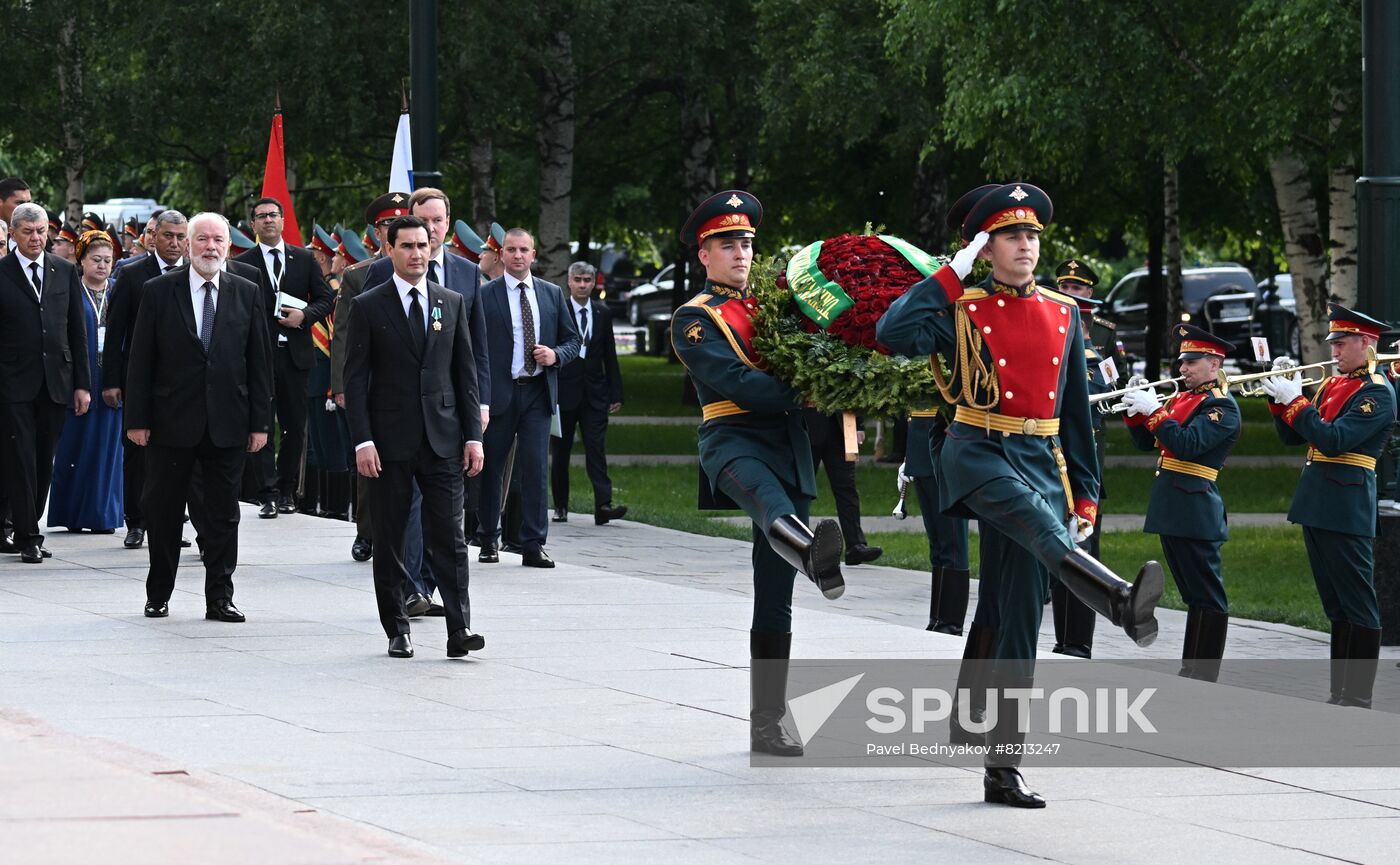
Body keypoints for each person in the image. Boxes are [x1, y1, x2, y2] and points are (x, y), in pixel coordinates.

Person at [877, 182, 1164, 808]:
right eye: (1010, 235)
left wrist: (1087, 496)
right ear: (984, 247)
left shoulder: (1065, 312)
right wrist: (951, 274)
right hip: (977, 452)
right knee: (1037, 527)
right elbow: (891, 332)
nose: (1026, 245)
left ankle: (1000, 764)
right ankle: (1116, 599)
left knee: (1015, 618)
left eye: (1032, 234)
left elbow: (1075, 414)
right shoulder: (960, 305)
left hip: (1042, 460)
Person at [671, 190, 846, 758]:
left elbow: (826, 344)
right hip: (734, 442)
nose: (741, 252)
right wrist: (811, 387)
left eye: (746, 242)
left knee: (774, 599)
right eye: (728, 243)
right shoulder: (695, 318)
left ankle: (767, 722)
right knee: (774, 506)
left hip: (788, 447)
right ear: (704, 254)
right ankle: (812, 551)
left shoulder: (777, 306)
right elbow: (740, 385)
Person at [344, 215, 485, 659]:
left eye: (423, 245)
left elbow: (465, 376)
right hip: (389, 443)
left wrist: (473, 436)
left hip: (443, 439)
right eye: (407, 246)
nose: (417, 254)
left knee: (450, 537)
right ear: (390, 250)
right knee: (389, 536)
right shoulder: (370, 305)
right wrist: (363, 440)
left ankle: (459, 629)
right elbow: (355, 379)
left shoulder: (451, 301)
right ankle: (397, 627)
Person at [125, 212, 272, 621]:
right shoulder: (159, 290)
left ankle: (220, 597)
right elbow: (140, 360)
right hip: (171, 423)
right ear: (188, 245)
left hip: (228, 422)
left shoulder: (247, 291)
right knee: (163, 510)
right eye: (202, 239)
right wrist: (137, 420)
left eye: (218, 240)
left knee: (224, 514)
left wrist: (260, 423)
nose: (210, 246)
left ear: (229, 246)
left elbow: (258, 361)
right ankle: (159, 592)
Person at [1260, 303, 1396, 707]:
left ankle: (1358, 696)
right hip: (1318, 502)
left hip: (1347, 503)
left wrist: (1296, 403)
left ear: (1367, 343)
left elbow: (1334, 440)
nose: (1333, 350)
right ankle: (1340, 692)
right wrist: (1279, 397)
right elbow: (1292, 437)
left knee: (1358, 602)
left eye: (1341, 342)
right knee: (1336, 605)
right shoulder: (1334, 385)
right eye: (1333, 343)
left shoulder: (1377, 392)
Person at [1121, 325, 1240, 680]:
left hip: (1196, 510)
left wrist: (1154, 412)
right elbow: (1147, 441)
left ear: (1214, 364)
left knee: (1207, 596)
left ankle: (1202, 673)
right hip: (1173, 508)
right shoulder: (1182, 399)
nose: (1183, 368)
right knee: (1193, 596)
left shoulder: (1221, 407)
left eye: (1191, 362)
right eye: (1181, 361)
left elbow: (1187, 444)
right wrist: (1134, 410)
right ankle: (1191, 668)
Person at [476, 228, 579, 568]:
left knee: (535, 469)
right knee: (491, 468)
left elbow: (573, 340)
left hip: (537, 393)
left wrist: (556, 355)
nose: (517, 255)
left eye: (524, 250)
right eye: (511, 250)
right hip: (500, 393)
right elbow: (475, 347)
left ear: (534, 255)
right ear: (501, 255)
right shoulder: (486, 295)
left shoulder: (551, 294)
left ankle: (533, 543)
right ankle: (489, 538)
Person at [0, 202, 92, 562]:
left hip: (56, 380)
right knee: (20, 457)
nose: (36, 238)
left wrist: (82, 384)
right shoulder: (3, 272)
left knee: (43, 459)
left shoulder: (64, 270)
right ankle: (28, 535)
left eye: (41, 231)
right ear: (13, 234)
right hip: (12, 384)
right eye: (28, 232)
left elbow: (76, 330)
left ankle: (29, 524)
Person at [234, 196, 334, 518]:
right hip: (258, 357)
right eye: (261, 216)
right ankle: (267, 493)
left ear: (283, 221)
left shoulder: (303, 259)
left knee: (294, 426)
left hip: (294, 355)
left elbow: (325, 299)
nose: (268, 221)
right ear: (253, 225)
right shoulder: (243, 262)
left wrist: (303, 316)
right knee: (260, 423)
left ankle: (287, 488)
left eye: (273, 215)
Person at [103, 209, 187, 549]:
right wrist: (111, 381)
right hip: (139, 379)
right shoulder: (133, 274)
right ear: (154, 237)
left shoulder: (193, 274)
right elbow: (115, 332)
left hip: (181, 383)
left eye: (181, 237)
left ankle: (168, 522)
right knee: (137, 453)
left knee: (177, 454)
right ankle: (136, 521)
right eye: (168, 236)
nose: (174, 243)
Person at [1047, 260, 1107, 658]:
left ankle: (1078, 641)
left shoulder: (1098, 348)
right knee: (1056, 550)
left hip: (1083, 463)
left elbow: (1101, 401)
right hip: (1052, 461)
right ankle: (1064, 637)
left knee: (1083, 549)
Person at [48, 230, 124, 533]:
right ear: (81, 260)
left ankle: (103, 515)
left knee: (108, 450)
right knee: (78, 447)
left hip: (111, 380)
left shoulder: (118, 291)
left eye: (108, 260)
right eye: (96, 259)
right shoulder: (72, 292)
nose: (103, 266)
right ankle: (72, 514)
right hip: (80, 379)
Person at [551, 261, 627, 525]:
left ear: (594, 283)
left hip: (595, 393)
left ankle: (603, 504)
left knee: (597, 448)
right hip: (565, 392)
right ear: (569, 282)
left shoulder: (602, 312)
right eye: (578, 280)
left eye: (587, 280)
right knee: (561, 451)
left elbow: (610, 353)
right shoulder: (559, 309)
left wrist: (615, 392)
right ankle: (560, 505)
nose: (582, 285)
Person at [803, 409, 881, 565]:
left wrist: (857, 425)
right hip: (807, 426)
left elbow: (849, 390)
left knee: (847, 488)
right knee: (802, 489)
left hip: (841, 428)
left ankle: (855, 546)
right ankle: (796, 542)